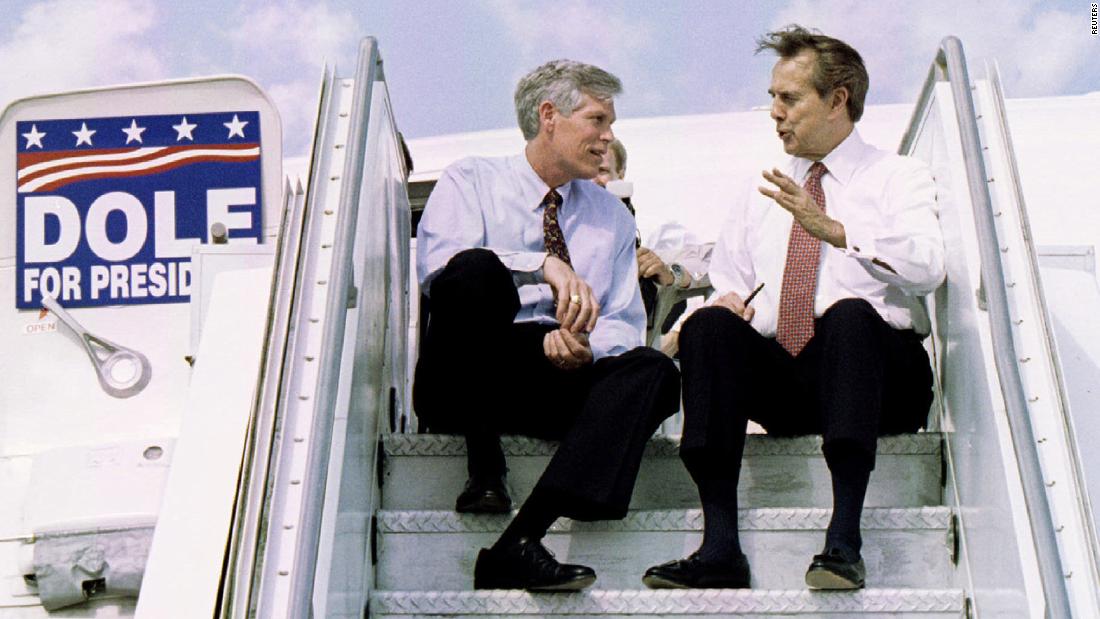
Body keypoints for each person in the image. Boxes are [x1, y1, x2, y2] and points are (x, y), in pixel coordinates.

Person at [643, 25, 945, 591]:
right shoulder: (763, 192)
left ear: (838, 99)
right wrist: (730, 306)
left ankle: (843, 541)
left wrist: (835, 231)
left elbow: (928, 267)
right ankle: (719, 548)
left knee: (852, 314)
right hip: (796, 382)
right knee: (709, 324)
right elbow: (733, 280)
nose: (774, 113)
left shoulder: (897, 176)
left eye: (789, 98)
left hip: (880, 383)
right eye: (772, 98)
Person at [414, 59, 680, 592]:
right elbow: (436, 274)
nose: (608, 139)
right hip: (469, 374)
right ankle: (484, 463)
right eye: (598, 121)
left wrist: (584, 345)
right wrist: (543, 264)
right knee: (474, 270)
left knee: (655, 371)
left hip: (555, 374)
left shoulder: (613, 215)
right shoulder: (471, 179)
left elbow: (626, 321)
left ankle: (520, 539)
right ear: (549, 115)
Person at [593, 139, 713, 341]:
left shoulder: (651, 235)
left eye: (602, 171)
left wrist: (671, 275)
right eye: (584, 173)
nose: (592, 181)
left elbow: (717, 264)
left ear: (620, 175)